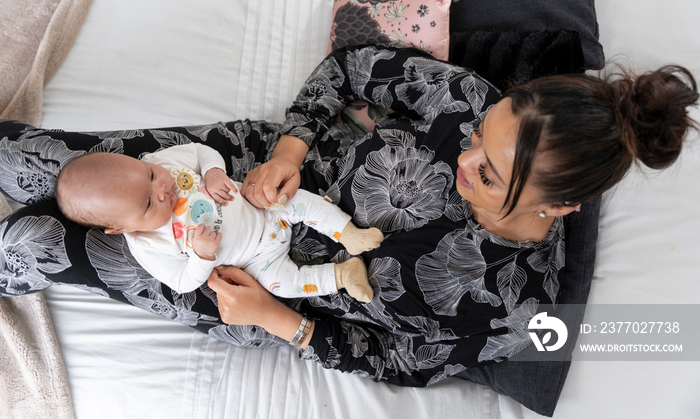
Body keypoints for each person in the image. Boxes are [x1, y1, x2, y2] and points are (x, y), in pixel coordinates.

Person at [206, 45, 698, 381]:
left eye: (488, 176)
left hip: (246, 288)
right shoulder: (465, 99)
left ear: (560, 206)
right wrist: (289, 153)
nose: (465, 159)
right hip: (247, 167)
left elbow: (400, 361)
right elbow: (350, 68)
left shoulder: (515, 308)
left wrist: (277, 321)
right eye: (481, 134)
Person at [54, 143, 383, 301]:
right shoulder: (147, 245)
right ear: (122, 228)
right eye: (148, 202)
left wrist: (212, 171)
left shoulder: (159, 161)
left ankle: (348, 232)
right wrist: (199, 256)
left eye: (152, 176)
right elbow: (182, 282)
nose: (162, 189)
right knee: (281, 285)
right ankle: (342, 274)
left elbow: (199, 152)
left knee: (292, 198)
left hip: (261, 207)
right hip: (257, 260)